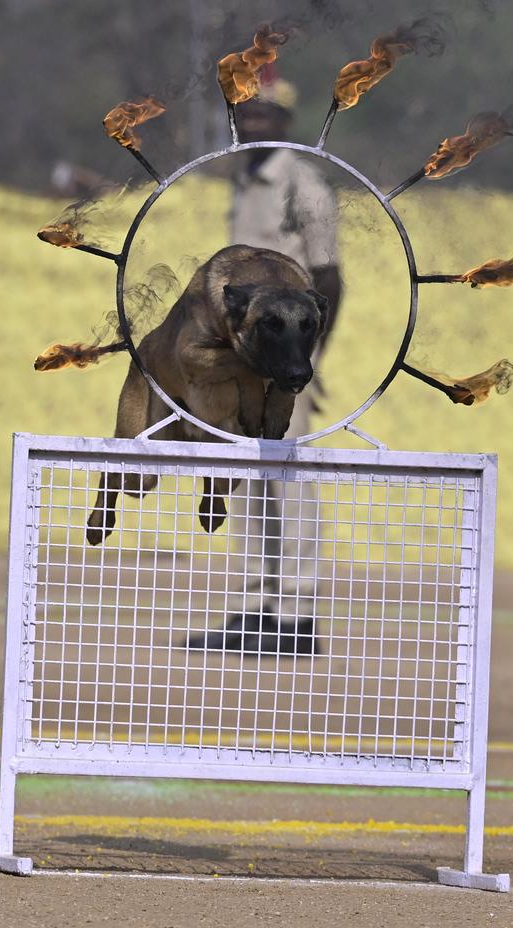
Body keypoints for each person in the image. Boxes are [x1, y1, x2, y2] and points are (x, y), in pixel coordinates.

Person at [187, 72, 343, 655]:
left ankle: (297, 613)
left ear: (284, 122)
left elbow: (327, 277)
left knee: (288, 474)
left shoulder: (304, 185)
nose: (251, 123)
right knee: (249, 472)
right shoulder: (244, 179)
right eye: (245, 114)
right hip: (246, 353)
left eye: (263, 115)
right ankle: (256, 607)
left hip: (289, 354)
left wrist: (308, 355)